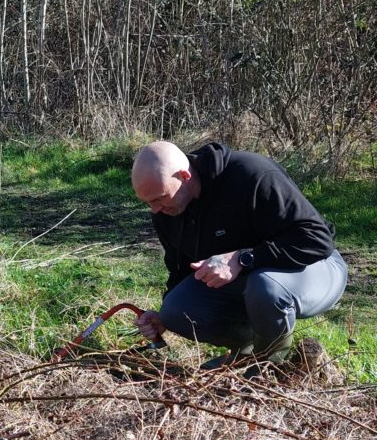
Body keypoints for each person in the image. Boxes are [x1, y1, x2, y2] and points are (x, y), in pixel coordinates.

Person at [131, 140, 347, 371]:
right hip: (250, 280)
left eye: (159, 198)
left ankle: (267, 368)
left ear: (184, 176)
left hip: (314, 267)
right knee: (176, 310)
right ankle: (247, 351)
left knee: (265, 287)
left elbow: (317, 239)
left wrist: (243, 259)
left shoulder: (252, 174)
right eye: (147, 202)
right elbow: (181, 269)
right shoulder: (167, 211)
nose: (154, 209)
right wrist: (162, 318)